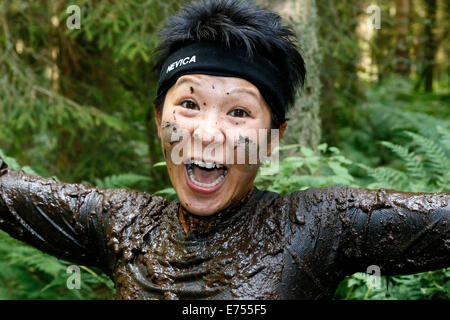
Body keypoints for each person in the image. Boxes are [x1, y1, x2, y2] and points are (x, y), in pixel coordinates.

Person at [0, 0, 448, 300]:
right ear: (160, 120)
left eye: (238, 113)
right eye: (190, 104)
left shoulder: (318, 225)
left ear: (273, 138)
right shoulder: (122, 224)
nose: (208, 134)